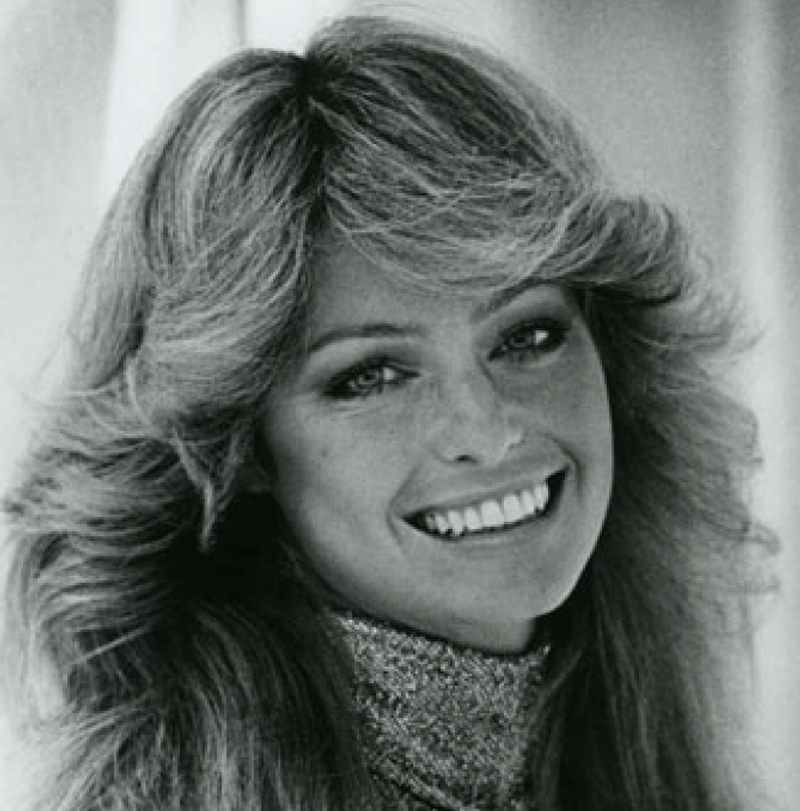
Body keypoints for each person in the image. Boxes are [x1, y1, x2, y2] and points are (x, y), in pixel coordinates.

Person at [1, 14, 775, 811]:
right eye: (372, 376)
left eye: (528, 336)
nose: (488, 428)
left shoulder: (643, 742)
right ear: (242, 448)